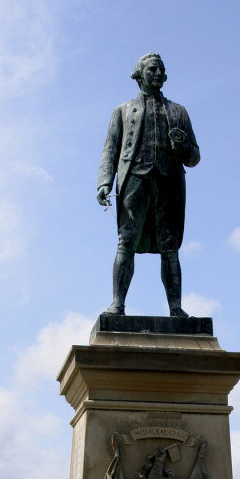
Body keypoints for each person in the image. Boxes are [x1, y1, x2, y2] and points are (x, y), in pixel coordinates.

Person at [97, 53, 200, 317]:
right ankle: (117, 305)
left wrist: (181, 146)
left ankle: (176, 308)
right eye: (152, 68)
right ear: (139, 74)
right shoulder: (122, 110)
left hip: (168, 183)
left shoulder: (179, 111)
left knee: (170, 246)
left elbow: (194, 157)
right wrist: (105, 182)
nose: (158, 73)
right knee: (126, 242)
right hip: (135, 180)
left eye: (161, 70)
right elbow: (111, 149)